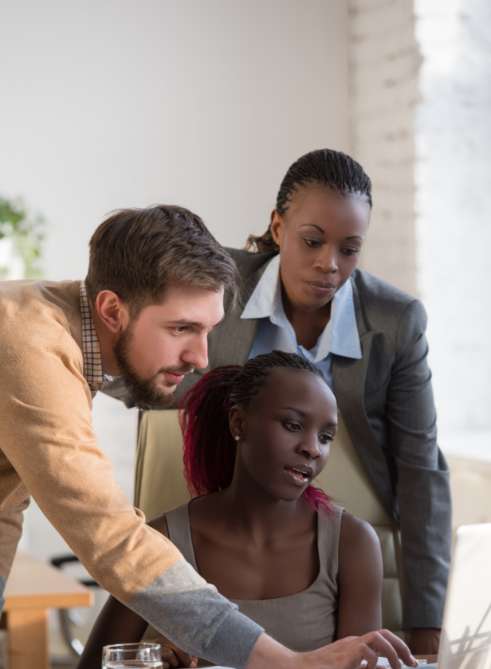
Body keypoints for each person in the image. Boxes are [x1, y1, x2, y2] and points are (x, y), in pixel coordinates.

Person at [0, 204, 417, 669]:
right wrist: (285, 662)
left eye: (208, 330)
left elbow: (4, 504)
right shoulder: (31, 350)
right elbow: (110, 538)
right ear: (112, 310)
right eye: (182, 328)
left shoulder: (45, 321)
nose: (200, 358)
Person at [105, 149, 452, 655]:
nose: (329, 264)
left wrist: (428, 633)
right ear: (277, 225)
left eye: (350, 249)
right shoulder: (217, 286)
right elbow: (127, 365)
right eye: (312, 240)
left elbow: (421, 471)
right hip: (221, 501)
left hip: (335, 531)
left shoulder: (395, 322)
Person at [79, 351, 386, 667]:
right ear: (239, 423)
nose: (312, 448)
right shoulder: (159, 542)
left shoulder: (353, 543)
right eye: (293, 425)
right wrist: (155, 660)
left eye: (326, 437)